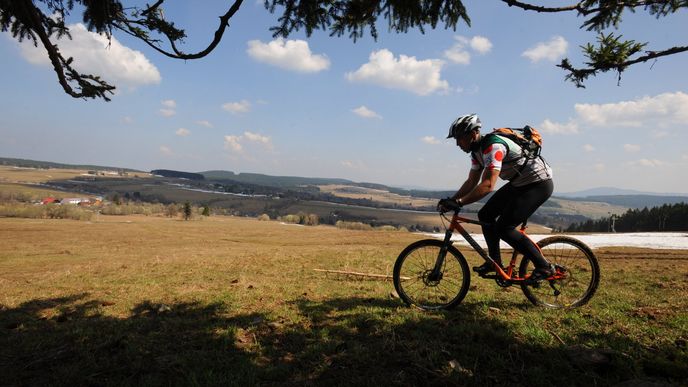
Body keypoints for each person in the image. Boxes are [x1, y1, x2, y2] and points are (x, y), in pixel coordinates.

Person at [440, 113, 555, 281]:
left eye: (460, 138)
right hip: (519, 184)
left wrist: (459, 202)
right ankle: (495, 263)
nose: (457, 143)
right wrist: (453, 199)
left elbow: (488, 185)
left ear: (473, 134)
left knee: (504, 228)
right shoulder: (476, 152)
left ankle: (544, 267)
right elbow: (472, 181)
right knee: (485, 215)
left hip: (538, 184)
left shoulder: (493, 147)